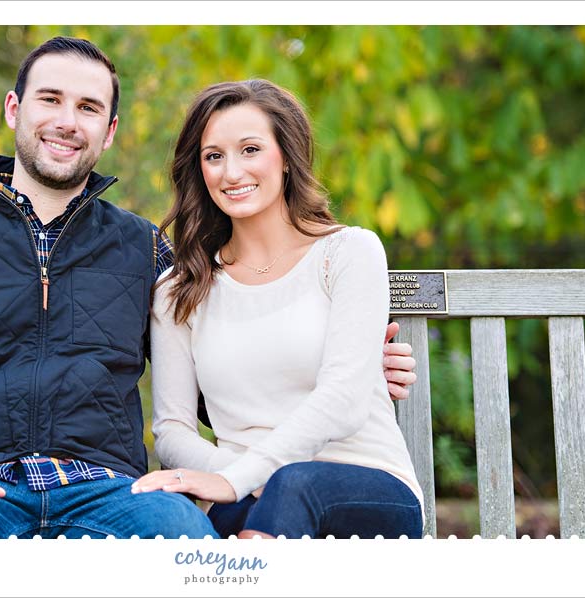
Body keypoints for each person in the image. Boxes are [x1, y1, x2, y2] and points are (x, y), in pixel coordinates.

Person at [0, 37, 416, 539]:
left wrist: (358, 365)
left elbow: (218, 379)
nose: (67, 120)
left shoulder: (146, 252)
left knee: (188, 542)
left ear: (109, 131)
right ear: (13, 108)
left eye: (88, 107)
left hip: (112, 490)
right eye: (50, 99)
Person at [132, 79, 424, 539]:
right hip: (250, 495)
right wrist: (241, 476)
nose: (231, 173)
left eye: (250, 150)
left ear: (285, 157)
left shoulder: (348, 253)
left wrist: (239, 478)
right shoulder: (180, 289)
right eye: (214, 156)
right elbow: (171, 430)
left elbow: (344, 402)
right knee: (223, 519)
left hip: (366, 486)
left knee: (292, 486)